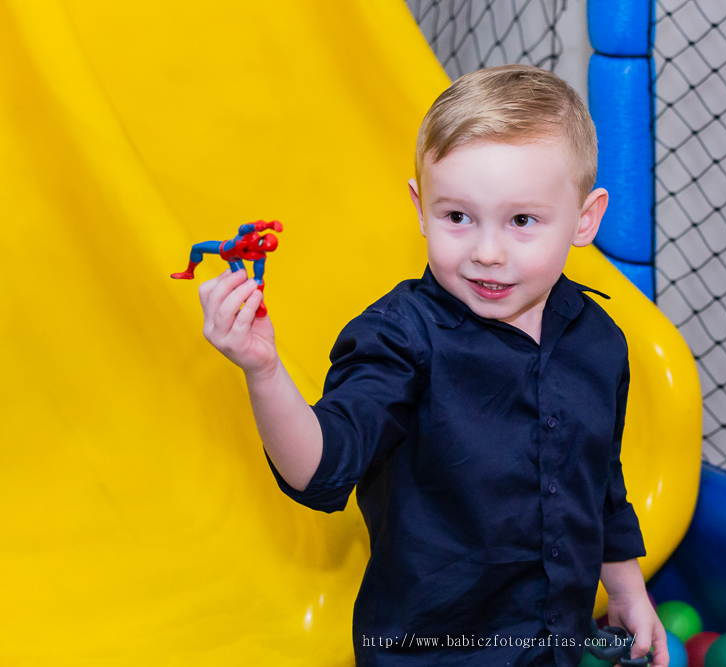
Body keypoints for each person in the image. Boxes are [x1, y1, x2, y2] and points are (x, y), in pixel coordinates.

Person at [194, 64, 667, 666]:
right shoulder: (400, 338)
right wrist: (264, 371)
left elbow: (598, 479)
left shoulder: (599, 340)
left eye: (522, 221)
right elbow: (321, 466)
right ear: (421, 209)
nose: (487, 253)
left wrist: (625, 589)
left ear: (584, 219)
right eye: (457, 217)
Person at [171, 220, 283, 317]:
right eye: (262, 241)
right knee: (196, 248)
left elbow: (258, 279)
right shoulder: (250, 235)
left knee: (243, 285)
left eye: (263, 248)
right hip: (221, 247)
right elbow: (245, 227)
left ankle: (256, 306)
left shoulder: (259, 257)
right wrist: (267, 225)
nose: (260, 245)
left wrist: (259, 300)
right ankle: (189, 273)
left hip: (234, 261)